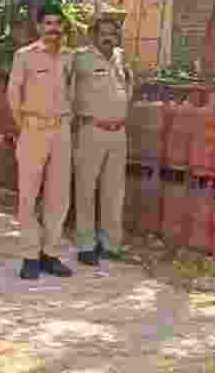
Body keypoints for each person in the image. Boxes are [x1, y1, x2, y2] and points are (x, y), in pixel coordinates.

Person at [4, 3, 75, 280]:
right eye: (48, 23)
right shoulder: (25, 56)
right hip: (33, 129)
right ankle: (29, 256)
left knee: (58, 196)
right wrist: (25, 128)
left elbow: (76, 93)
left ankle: (50, 254)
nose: (53, 28)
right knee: (28, 195)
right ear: (39, 27)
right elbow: (13, 94)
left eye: (58, 23)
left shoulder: (70, 58)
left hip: (62, 130)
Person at [72, 16, 132, 266]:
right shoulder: (81, 58)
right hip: (91, 130)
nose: (108, 38)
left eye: (112, 33)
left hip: (118, 133)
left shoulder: (120, 57)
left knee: (114, 191)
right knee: (86, 189)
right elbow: (68, 88)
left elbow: (128, 84)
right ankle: (86, 245)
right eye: (103, 33)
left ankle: (111, 244)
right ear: (93, 36)